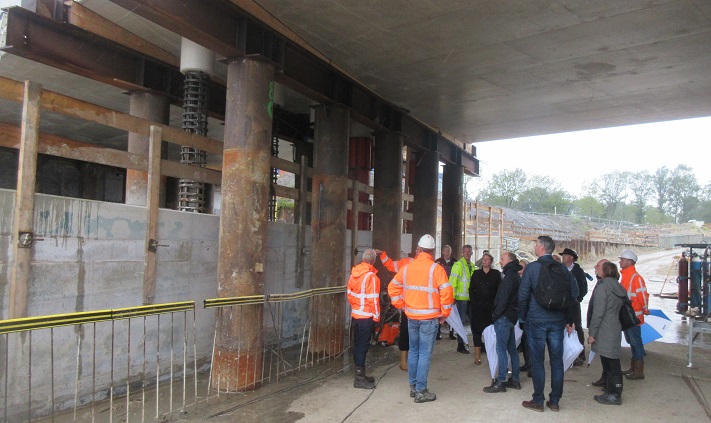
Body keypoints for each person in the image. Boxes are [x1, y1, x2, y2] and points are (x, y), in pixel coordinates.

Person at [388, 234, 454, 403]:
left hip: (412, 317)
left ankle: (413, 387)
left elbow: (392, 288)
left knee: (414, 351)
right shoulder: (436, 269)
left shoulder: (407, 267)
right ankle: (421, 391)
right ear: (432, 250)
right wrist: (444, 314)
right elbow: (447, 293)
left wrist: (401, 305)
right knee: (424, 353)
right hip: (429, 318)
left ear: (419, 248)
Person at [519, 235, 578, 413]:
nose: (535, 247)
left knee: (537, 362)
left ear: (542, 248)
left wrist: (523, 318)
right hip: (557, 321)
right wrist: (569, 320)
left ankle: (538, 399)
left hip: (536, 320)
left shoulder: (532, 268)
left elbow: (522, 296)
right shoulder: (563, 269)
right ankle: (554, 401)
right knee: (556, 361)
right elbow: (573, 295)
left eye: (536, 244)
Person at [587, 261, 627, 405]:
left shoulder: (603, 288)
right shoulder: (618, 286)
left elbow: (598, 313)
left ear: (604, 271)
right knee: (612, 361)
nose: (596, 269)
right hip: (614, 326)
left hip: (604, 329)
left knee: (611, 364)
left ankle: (614, 395)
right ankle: (611, 391)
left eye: (599, 268)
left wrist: (592, 333)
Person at [484, 251, 522, 393]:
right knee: (511, 349)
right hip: (511, 317)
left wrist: (496, 314)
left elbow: (503, 298)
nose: (500, 261)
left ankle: (501, 381)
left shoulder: (509, 277)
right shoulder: (515, 275)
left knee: (501, 349)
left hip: (504, 317)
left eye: (502, 259)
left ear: (510, 261)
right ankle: (516, 379)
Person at [376, 247, 418, 371]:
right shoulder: (406, 262)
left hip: (422, 308)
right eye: (418, 249)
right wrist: (383, 254)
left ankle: (415, 360)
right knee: (405, 333)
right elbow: (391, 265)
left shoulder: (431, 266)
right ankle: (403, 361)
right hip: (408, 307)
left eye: (422, 249)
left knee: (419, 336)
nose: (419, 252)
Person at [346, 249, 381, 389]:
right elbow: (373, 299)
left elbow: (349, 294)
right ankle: (359, 379)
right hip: (366, 316)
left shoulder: (353, 274)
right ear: (373, 261)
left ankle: (360, 375)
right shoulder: (371, 277)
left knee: (358, 344)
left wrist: (356, 307)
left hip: (356, 314)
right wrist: (377, 316)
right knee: (363, 346)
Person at [618, 249, 650, 380]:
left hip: (633, 317)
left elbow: (643, 295)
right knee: (632, 341)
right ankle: (634, 368)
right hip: (628, 316)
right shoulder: (626, 276)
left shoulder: (635, 277)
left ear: (629, 261)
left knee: (635, 342)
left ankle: (638, 371)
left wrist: (645, 309)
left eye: (622, 259)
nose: (620, 261)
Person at [469, 251, 501, 365]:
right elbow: (471, 289)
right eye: (483, 259)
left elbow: (499, 291)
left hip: (491, 308)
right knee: (477, 331)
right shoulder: (476, 274)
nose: (484, 261)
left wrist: (496, 305)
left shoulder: (496, 274)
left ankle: (492, 354)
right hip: (478, 308)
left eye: (487, 259)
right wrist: (473, 303)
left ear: (491, 262)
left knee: (491, 332)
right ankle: (477, 356)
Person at [559, 248, 588, 366]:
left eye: (565, 255)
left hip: (573, 304)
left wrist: (578, 298)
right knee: (562, 327)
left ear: (571, 258)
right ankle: (566, 353)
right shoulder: (560, 269)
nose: (563, 257)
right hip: (562, 303)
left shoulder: (578, 271)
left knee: (576, 326)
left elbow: (583, 287)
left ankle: (580, 354)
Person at [449, 244, 475, 353]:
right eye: (466, 251)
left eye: (469, 251)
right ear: (462, 253)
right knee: (460, 323)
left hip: (470, 299)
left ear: (472, 253)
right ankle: (460, 345)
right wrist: (452, 297)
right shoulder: (458, 265)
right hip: (460, 299)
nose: (468, 253)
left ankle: (477, 343)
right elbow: (452, 283)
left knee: (473, 321)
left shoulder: (473, 266)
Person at [435, 245, 457, 340]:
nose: (447, 252)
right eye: (445, 250)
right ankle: (437, 332)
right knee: (439, 311)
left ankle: (451, 333)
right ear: (442, 252)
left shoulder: (455, 262)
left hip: (451, 290)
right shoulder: (438, 262)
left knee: (452, 312)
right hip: (440, 290)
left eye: (449, 250)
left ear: (451, 252)